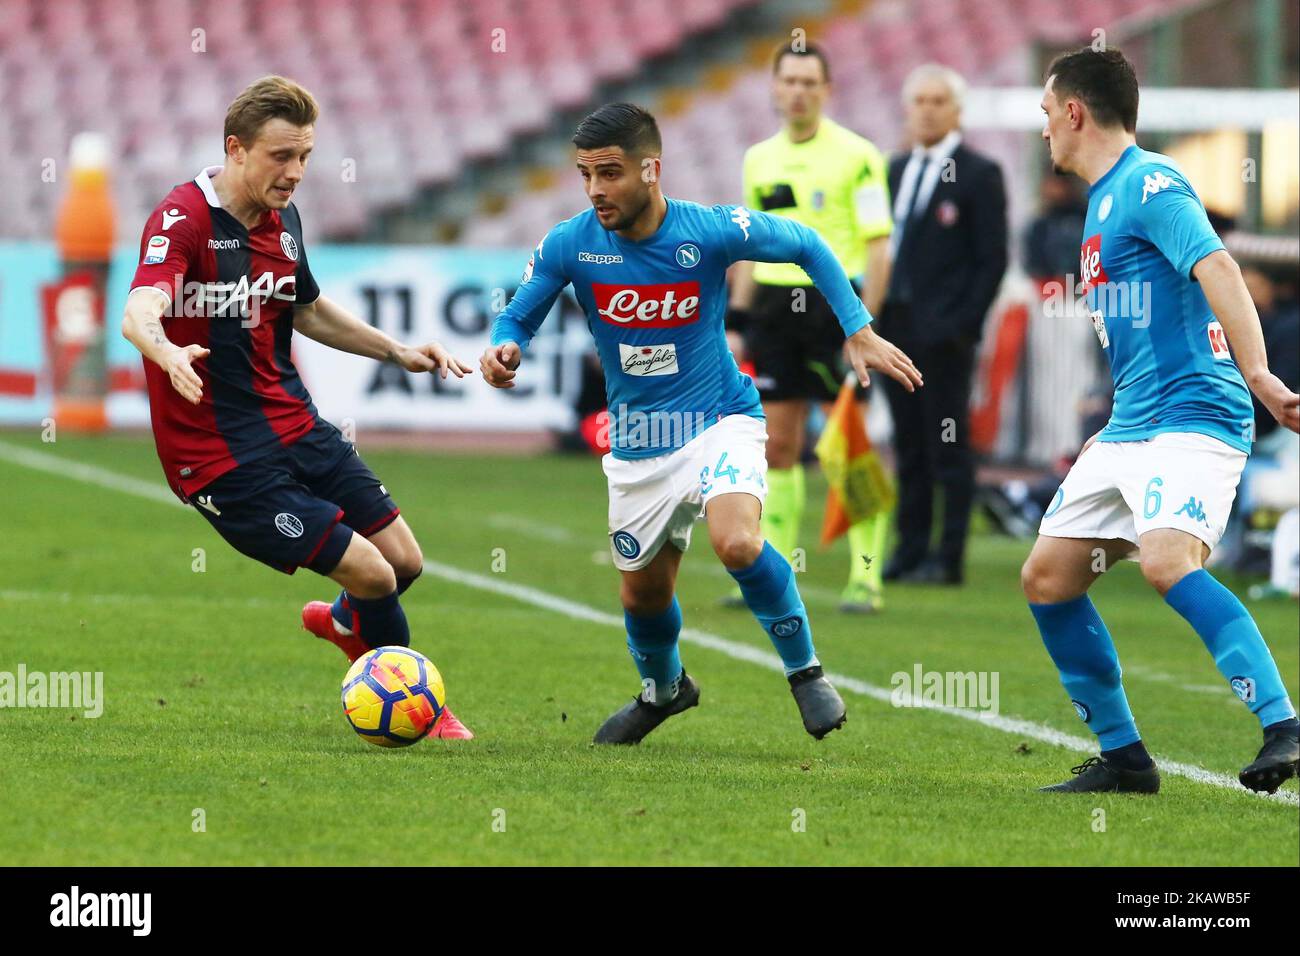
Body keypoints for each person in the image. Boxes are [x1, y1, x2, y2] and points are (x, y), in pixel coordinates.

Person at [479, 103, 922, 744]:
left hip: (719, 418)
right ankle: (665, 692)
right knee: (643, 597)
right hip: (638, 444)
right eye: (585, 174)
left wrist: (857, 325)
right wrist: (503, 347)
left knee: (737, 542)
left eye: (610, 172)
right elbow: (519, 314)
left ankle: (806, 673)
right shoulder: (570, 242)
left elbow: (805, 243)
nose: (597, 189)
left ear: (651, 169)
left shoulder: (708, 231)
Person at [121, 75, 475, 739]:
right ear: (236, 149)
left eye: (306, 156)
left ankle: (345, 623)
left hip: (294, 423)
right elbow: (139, 312)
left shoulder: (284, 222)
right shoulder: (184, 219)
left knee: (403, 563)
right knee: (370, 570)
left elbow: (306, 308)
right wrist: (166, 351)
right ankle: (419, 710)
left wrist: (395, 352)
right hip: (218, 458)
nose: (296, 172)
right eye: (282, 156)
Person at [1025, 47, 1300, 794]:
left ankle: (1283, 726)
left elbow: (1219, 268)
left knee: (1167, 562)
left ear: (1075, 111)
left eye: (1047, 112)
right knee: (1048, 579)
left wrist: (1259, 375)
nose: (1044, 127)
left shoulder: (1150, 181)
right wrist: (1112, 419)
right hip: (1132, 426)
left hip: (1193, 415)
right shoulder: (1101, 201)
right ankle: (1125, 760)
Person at [726, 41, 894, 613]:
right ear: (774, 88)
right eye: (789, 81)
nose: (798, 91)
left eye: (809, 82)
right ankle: (774, 574)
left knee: (848, 445)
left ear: (827, 90)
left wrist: (863, 324)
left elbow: (877, 246)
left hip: (834, 305)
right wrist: (738, 319)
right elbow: (748, 247)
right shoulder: (758, 159)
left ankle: (866, 575)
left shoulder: (859, 156)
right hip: (774, 310)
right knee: (777, 445)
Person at [878, 64, 1008, 585]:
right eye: (918, 101)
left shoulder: (978, 173)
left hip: (943, 335)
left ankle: (948, 555)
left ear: (956, 110)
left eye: (937, 101)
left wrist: (962, 325)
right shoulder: (895, 168)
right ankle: (909, 547)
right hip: (895, 328)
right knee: (907, 443)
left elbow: (991, 259)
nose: (926, 110)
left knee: (947, 444)